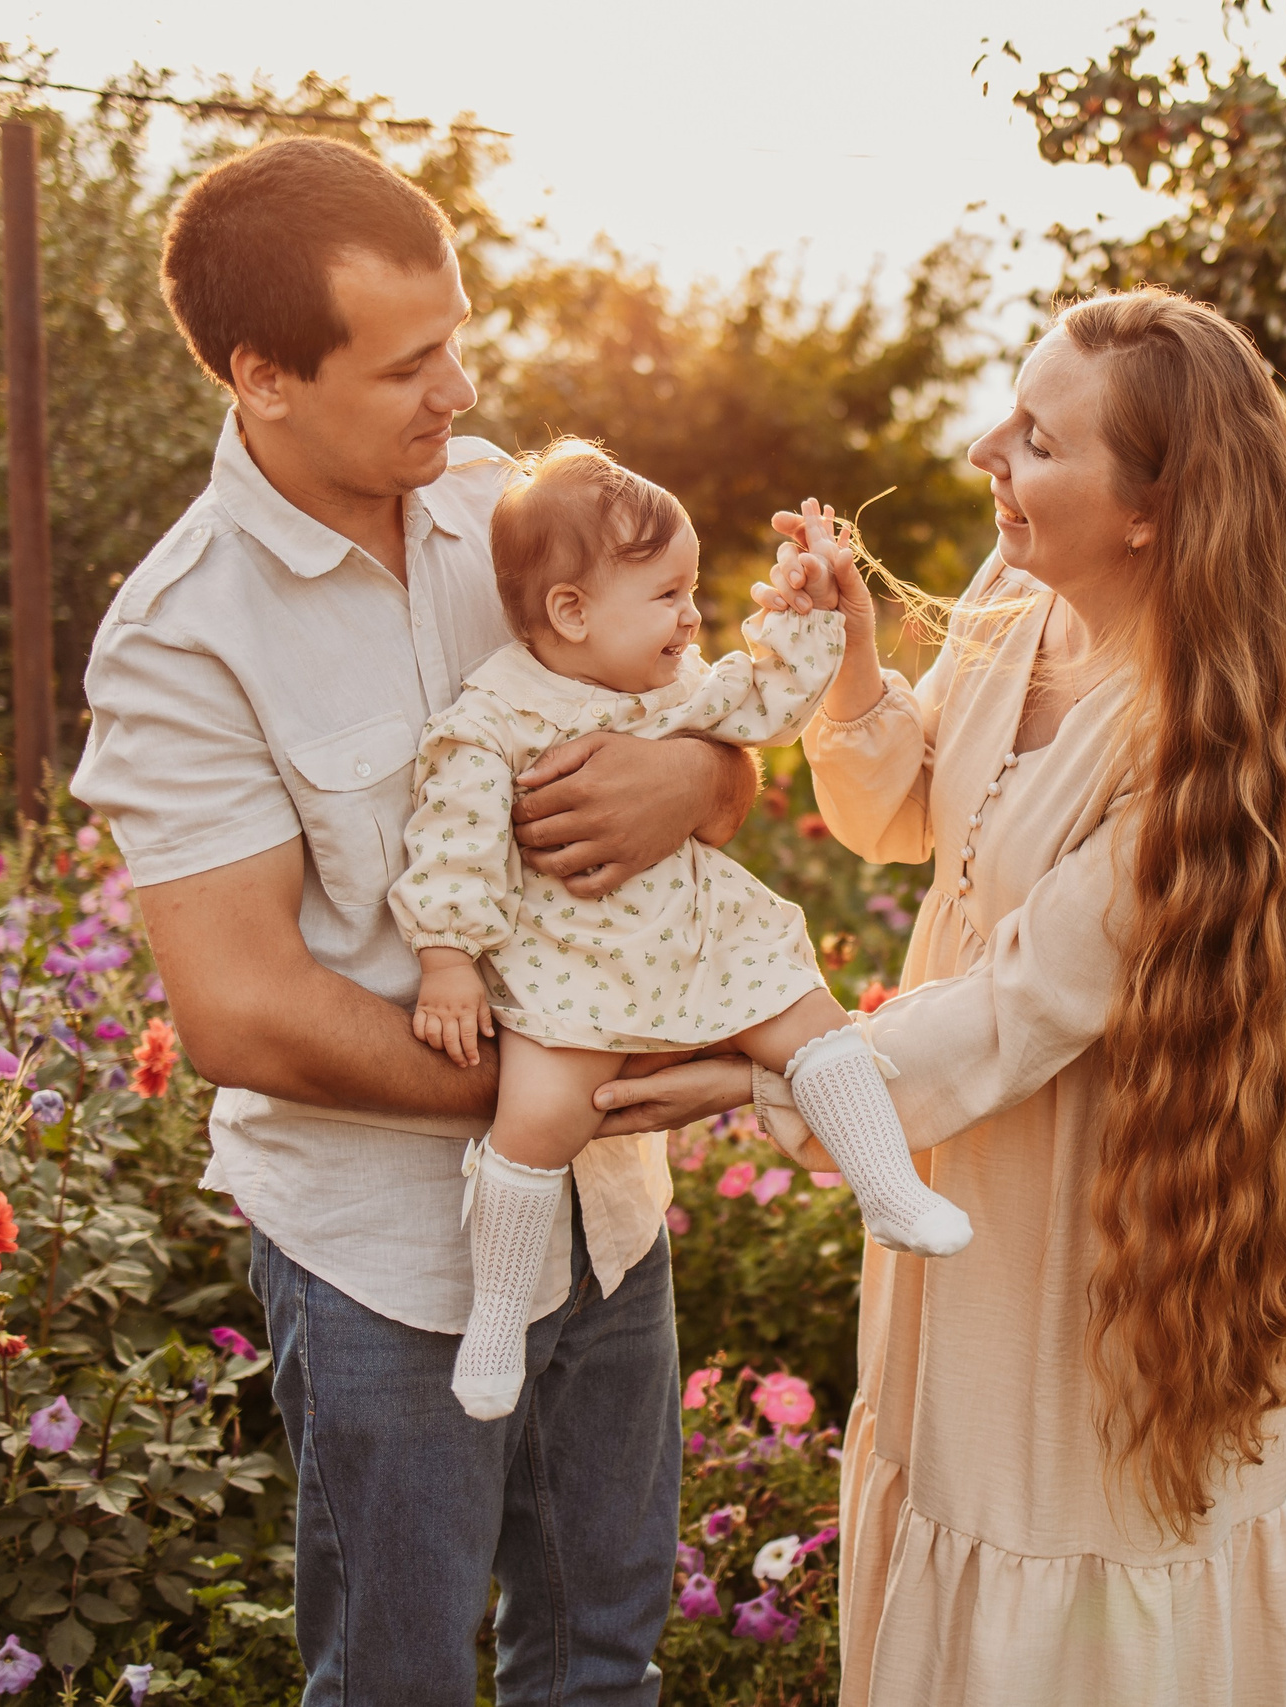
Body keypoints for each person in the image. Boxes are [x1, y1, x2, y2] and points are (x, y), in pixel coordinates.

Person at [606, 286, 1286, 1705]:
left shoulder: (1202, 732)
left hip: (1107, 1209)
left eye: (1033, 438)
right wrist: (848, 648)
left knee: (1060, 1539)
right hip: (950, 1161)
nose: (983, 455)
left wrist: (757, 1067)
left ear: (1153, 505)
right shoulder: (1017, 603)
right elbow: (899, 810)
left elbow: (1022, 1006)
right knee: (950, 1506)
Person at [69, 137, 754, 1705]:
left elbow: (716, 750)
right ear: (263, 375)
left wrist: (692, 770)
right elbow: (241, 1009)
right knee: (397, 1683)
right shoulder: (184, 639)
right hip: (386, 1261)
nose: (458, 391)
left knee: (600, 1660)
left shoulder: (505, 507)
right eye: (408, 365)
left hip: (610, 1219)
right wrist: (569, 1089)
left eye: (458, 338)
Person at [392, 439, 970, 1419]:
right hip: (571, 959)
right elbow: (452, 836)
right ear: (570, 611)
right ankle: (495, 1320)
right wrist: (447, 958)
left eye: (690, 589)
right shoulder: (497, 713)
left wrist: (804, 613)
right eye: (666, 595)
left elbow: (766, 703)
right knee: (534, 1118)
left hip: (698, 931)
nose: (691, 614)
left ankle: (887, 1189)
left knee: (812, 1023)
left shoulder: (675, 685)